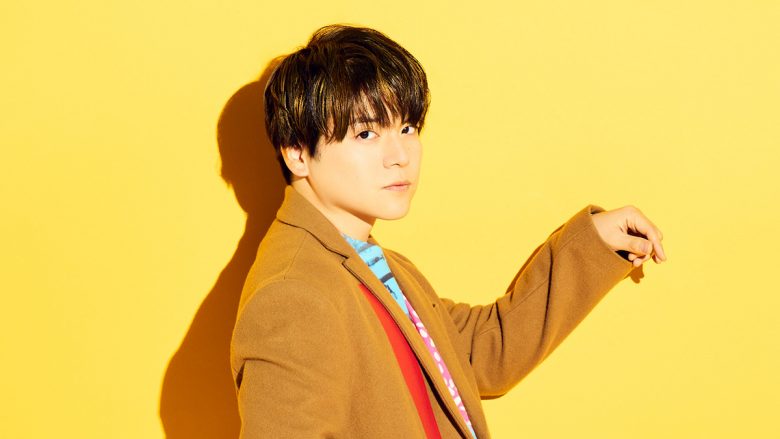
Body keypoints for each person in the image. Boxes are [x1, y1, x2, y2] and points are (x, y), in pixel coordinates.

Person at [230, 24, 666, 438]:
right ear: (296, 153)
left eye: (407, 128)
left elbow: (479, 352)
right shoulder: (292, 296)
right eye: (366, 134)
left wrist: (592, 242)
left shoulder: (368, 263)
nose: (400, 155)